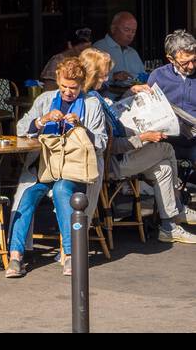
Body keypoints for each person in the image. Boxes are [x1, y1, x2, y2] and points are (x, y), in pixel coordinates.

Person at [81, 48, 196, 244]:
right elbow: (112, 145)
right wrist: (143, 137)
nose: (107, 77)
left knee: (163, 168)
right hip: (111, 163)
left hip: (119, 155)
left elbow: (115, 114)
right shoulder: (91, 102)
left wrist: (130, 92)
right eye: (104, 73)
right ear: (93, 74)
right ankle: (176, 212)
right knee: (166, 149)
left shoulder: (95, 95)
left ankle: (169, 226)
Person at [5, 56, 107, 278]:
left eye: (73, 88)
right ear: (58, 81)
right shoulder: (45, 99)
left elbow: (102, 142)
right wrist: (41, 121)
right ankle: (15, 257)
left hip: (74, 168)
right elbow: (21, 129)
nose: (67, 92)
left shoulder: (91, 104)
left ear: (82, 85)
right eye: (63, 86)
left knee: (61, 190)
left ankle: (70, 255)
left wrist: (81, 127)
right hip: (45, 166)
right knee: (27, 195)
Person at [147, 29, 196, 167]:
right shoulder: (158, 76)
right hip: (167, 141)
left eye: (194, 60)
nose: (191, 66)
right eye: (185, 62)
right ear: (171, 59)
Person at [94, 11, 145, 84]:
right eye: (127, 30)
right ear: (113, 29)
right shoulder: (99, 48)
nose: (130, 35)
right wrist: (113, 77)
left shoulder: (133, 53)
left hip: (134, 94)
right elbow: (90, 78)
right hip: (108, 95)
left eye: (133, 31)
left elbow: (143, 76)